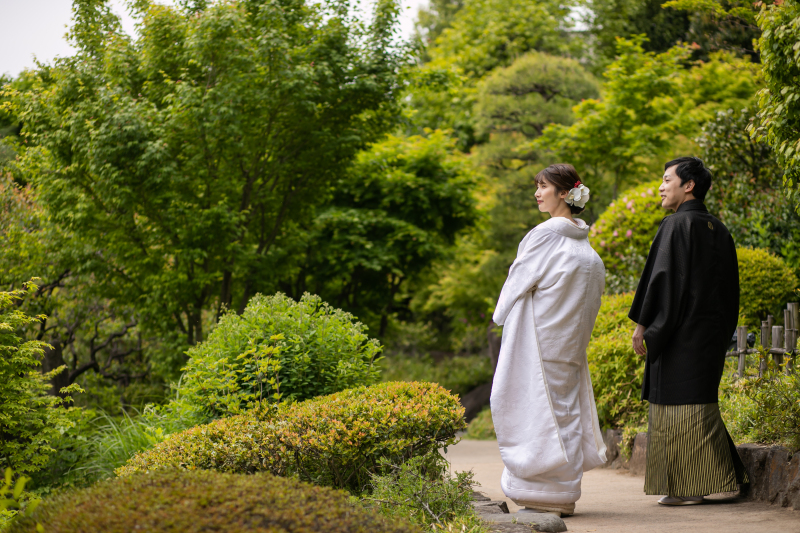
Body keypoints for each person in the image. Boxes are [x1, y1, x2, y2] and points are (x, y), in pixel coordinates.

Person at [629, 156, 749, 506]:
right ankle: (716, 480)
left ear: (689, 185)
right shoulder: (719, 229)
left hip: (679, 332)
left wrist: (644, 327)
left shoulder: (675, 226)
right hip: (709, 334)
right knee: (699, 405)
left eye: (667, 180)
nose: (661, 187)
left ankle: (690, 487)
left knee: (679, 408)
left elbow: (661, 281)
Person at [491, 164, 607, 517]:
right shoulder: (588, 251)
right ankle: (563, 494)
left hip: (540, 340)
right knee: (564, 410)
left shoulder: (545, 235)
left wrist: (500, 316)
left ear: (563, 193)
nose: (537, 193)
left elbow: (518, 279)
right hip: (569, 343)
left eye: (543, 187)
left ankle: (541, 491)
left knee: (537, 408)